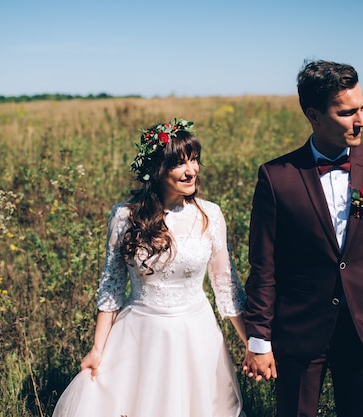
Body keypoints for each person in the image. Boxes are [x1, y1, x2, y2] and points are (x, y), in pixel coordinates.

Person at [242, 60, 363, 417]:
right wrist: (259, 338)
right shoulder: (276, 177)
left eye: (362, 109)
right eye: (348, 112)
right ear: (313, 114)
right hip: (299, 331)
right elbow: (263, 266)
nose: (361, 120)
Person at [52, 118, 247, 417]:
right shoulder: (125, 216)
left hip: (196, 335)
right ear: (157, 170)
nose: (191, 170)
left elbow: (226, 287)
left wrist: (253, 344)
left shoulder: (210, 214)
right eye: (180, 164)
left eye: (194, 160)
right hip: (140, 335)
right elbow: (112, 287)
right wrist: (97, 349)